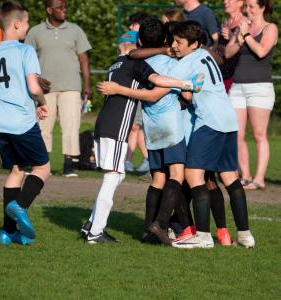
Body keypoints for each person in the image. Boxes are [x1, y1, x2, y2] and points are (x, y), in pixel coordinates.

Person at [83, 29, 199, 244]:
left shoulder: (118, 62)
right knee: (113, 176)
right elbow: (158, 81)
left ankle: (90, 224)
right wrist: (187, 84)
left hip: (105, 124)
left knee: (117, 176)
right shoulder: (136, 64)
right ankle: (96, 232)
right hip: (116, 127)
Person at [154, 21, 255, 248]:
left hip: (210, 122)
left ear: (194, 44)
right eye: (174, 41)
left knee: (192, 174)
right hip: (228, 120)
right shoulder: (205, 54)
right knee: (229, 177)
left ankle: (202, 235)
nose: (175, 46)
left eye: (179, 42)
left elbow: (162, 81)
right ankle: (245, 235)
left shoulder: (188, 61)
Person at [0, 1, 50, 245]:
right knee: (43, 168)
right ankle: (21, 205)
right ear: (16, 23)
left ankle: (7, 231)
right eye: (26, 22)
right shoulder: (25, 50)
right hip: (21, 122)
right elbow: (34, 88)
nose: (27, 27)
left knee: (16, 170)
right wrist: (42, 102)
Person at [26, 0, 92, 177]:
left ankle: (68, 165)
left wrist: (87, 84)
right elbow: (27, 59)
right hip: (44, 90)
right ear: (49, 10)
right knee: (43, 126)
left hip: (71, 86)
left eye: (66, 7)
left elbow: (83, 59)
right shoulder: (35, 32)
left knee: (70, 126)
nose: (64, 10)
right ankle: (42, 164)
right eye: (60, 7)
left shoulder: (75, 30)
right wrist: (36, 79)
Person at [225, 0, 278, 190]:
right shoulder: (243, 26)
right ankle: (245, 176)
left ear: (262, 7)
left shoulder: (270, 27)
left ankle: (259, 179)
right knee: (236, 134)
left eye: (251, 6)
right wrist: (239, 38)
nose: (248, 10)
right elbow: (228, 52)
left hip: (260, 87)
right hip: (238, 87)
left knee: (258, 134)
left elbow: (262, 51)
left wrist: (246, 34)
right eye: (246, 6)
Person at [124, 11, 150, 173]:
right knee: (135, 127)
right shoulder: (128, 39)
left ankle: (147, 159)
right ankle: (129, 160)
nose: (130, 27)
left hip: (142, 88)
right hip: (131, 87)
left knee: (136, 126)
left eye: (134, 24)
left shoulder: (148, 42)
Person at [217, 0, 244, 93]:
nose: (225, 2)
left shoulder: (244, 23)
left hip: (234, 75)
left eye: (229, 0)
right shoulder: (225, 22)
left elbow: (246, 46)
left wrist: (232, 36)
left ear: (240, 3)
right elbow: (219, 47)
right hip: (221, 73)